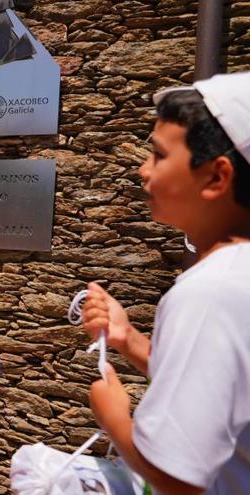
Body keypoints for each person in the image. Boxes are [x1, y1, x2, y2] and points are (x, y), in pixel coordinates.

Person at [81, 71, 250, 494]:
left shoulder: (209, 292)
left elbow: (178, 479)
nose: (143, 170)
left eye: (158, 155)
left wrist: (115, 416)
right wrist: (129, 339)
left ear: (216, 177)